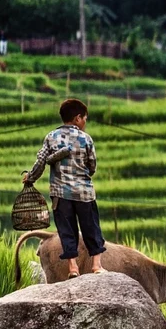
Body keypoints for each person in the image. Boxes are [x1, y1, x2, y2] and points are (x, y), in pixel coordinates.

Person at [23, 99, 107, 279]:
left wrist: (29, 178)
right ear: (78, 118)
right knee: (91, 228)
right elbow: (92, 166)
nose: (85, 122)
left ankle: (73, 268)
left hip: (60, 195)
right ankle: (97, 265)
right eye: (85, 118)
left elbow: (40, 163)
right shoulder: (86, 139)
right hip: (84, 193)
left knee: (67, 230)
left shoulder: (51, 137)